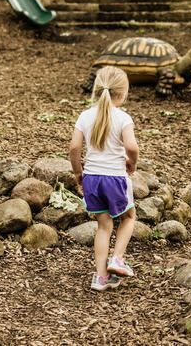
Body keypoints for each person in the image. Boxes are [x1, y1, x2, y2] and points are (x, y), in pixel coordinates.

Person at [69, 66, 140, 291]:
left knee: (103, 226)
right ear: (123, 94)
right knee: (128, 217)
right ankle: (117, 259)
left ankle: (100, 278)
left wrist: (78, 173)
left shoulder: (85, 116)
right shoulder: (123, 117)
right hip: (114, 179)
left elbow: (74, 148)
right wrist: (133, 161)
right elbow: (132, 146)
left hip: (91, 178)